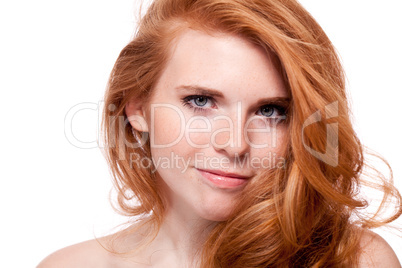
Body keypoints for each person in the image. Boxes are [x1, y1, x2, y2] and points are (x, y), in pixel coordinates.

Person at [38, 0, 402, 267]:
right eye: (200, 101)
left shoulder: (356, 260)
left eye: (270, 111)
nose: (236, 144)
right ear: (137, 109)